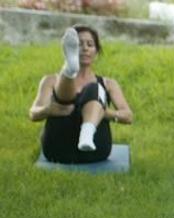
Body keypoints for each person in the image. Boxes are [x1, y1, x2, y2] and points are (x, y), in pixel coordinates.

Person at [29, 26, 133, 164]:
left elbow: (128, 116)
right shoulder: (50, 80)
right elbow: (33, 113)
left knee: (95, 89)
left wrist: (104, 112)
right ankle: (69, 70)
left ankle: (87, 133)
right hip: (58, 149)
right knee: (65, 97)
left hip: (95, 150)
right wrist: (49, 110)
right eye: (78, 44)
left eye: (90, 44)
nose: (85, 48)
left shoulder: (108, 83)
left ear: (96, 53)